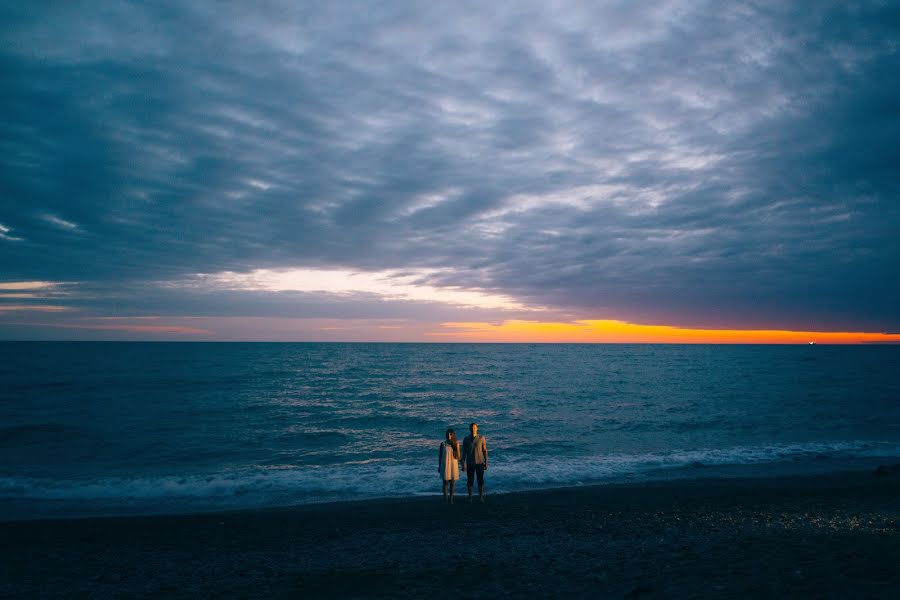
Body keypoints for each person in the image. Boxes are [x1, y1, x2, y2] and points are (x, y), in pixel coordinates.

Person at [461, 422, 488, 502]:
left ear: (477, 428)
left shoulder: (481, 438)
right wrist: (463, 464)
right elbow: (464, 453)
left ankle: (481, 497)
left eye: (474, 428)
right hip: (470, 463)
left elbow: (485, 451)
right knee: (470, 481)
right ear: (469, 429)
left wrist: (486, 462)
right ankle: (470, 497)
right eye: (472, 428)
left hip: (479, 463)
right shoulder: (466, 439)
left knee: (480, 480)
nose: (473, 429)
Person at [438, 428, 460, 503]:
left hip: (453, 464)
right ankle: (445, 498)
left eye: (450, 434)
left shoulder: (456, 443)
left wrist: (454, 448)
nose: (449, 435)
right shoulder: (443, 444)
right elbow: (440, 456)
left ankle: (451, 498)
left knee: (452, 482)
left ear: (453, 435)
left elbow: (458, 457)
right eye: (447, 434)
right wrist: (439, 465)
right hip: (445, 464)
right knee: (445, 482)